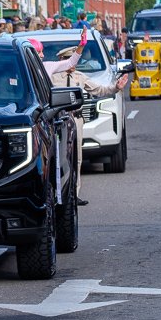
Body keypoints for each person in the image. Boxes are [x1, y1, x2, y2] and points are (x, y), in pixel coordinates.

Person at [48, 46, 129, 205]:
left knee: (76, 157)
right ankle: (58, 195)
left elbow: (99, 90)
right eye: (70, 60)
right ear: (62, 61)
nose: (73, 64)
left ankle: (74, 194)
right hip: (58, 120)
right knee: (59, 158)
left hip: (76, 120)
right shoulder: (52, 77)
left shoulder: (80, 76)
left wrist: (115, 87)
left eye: (75, 61)